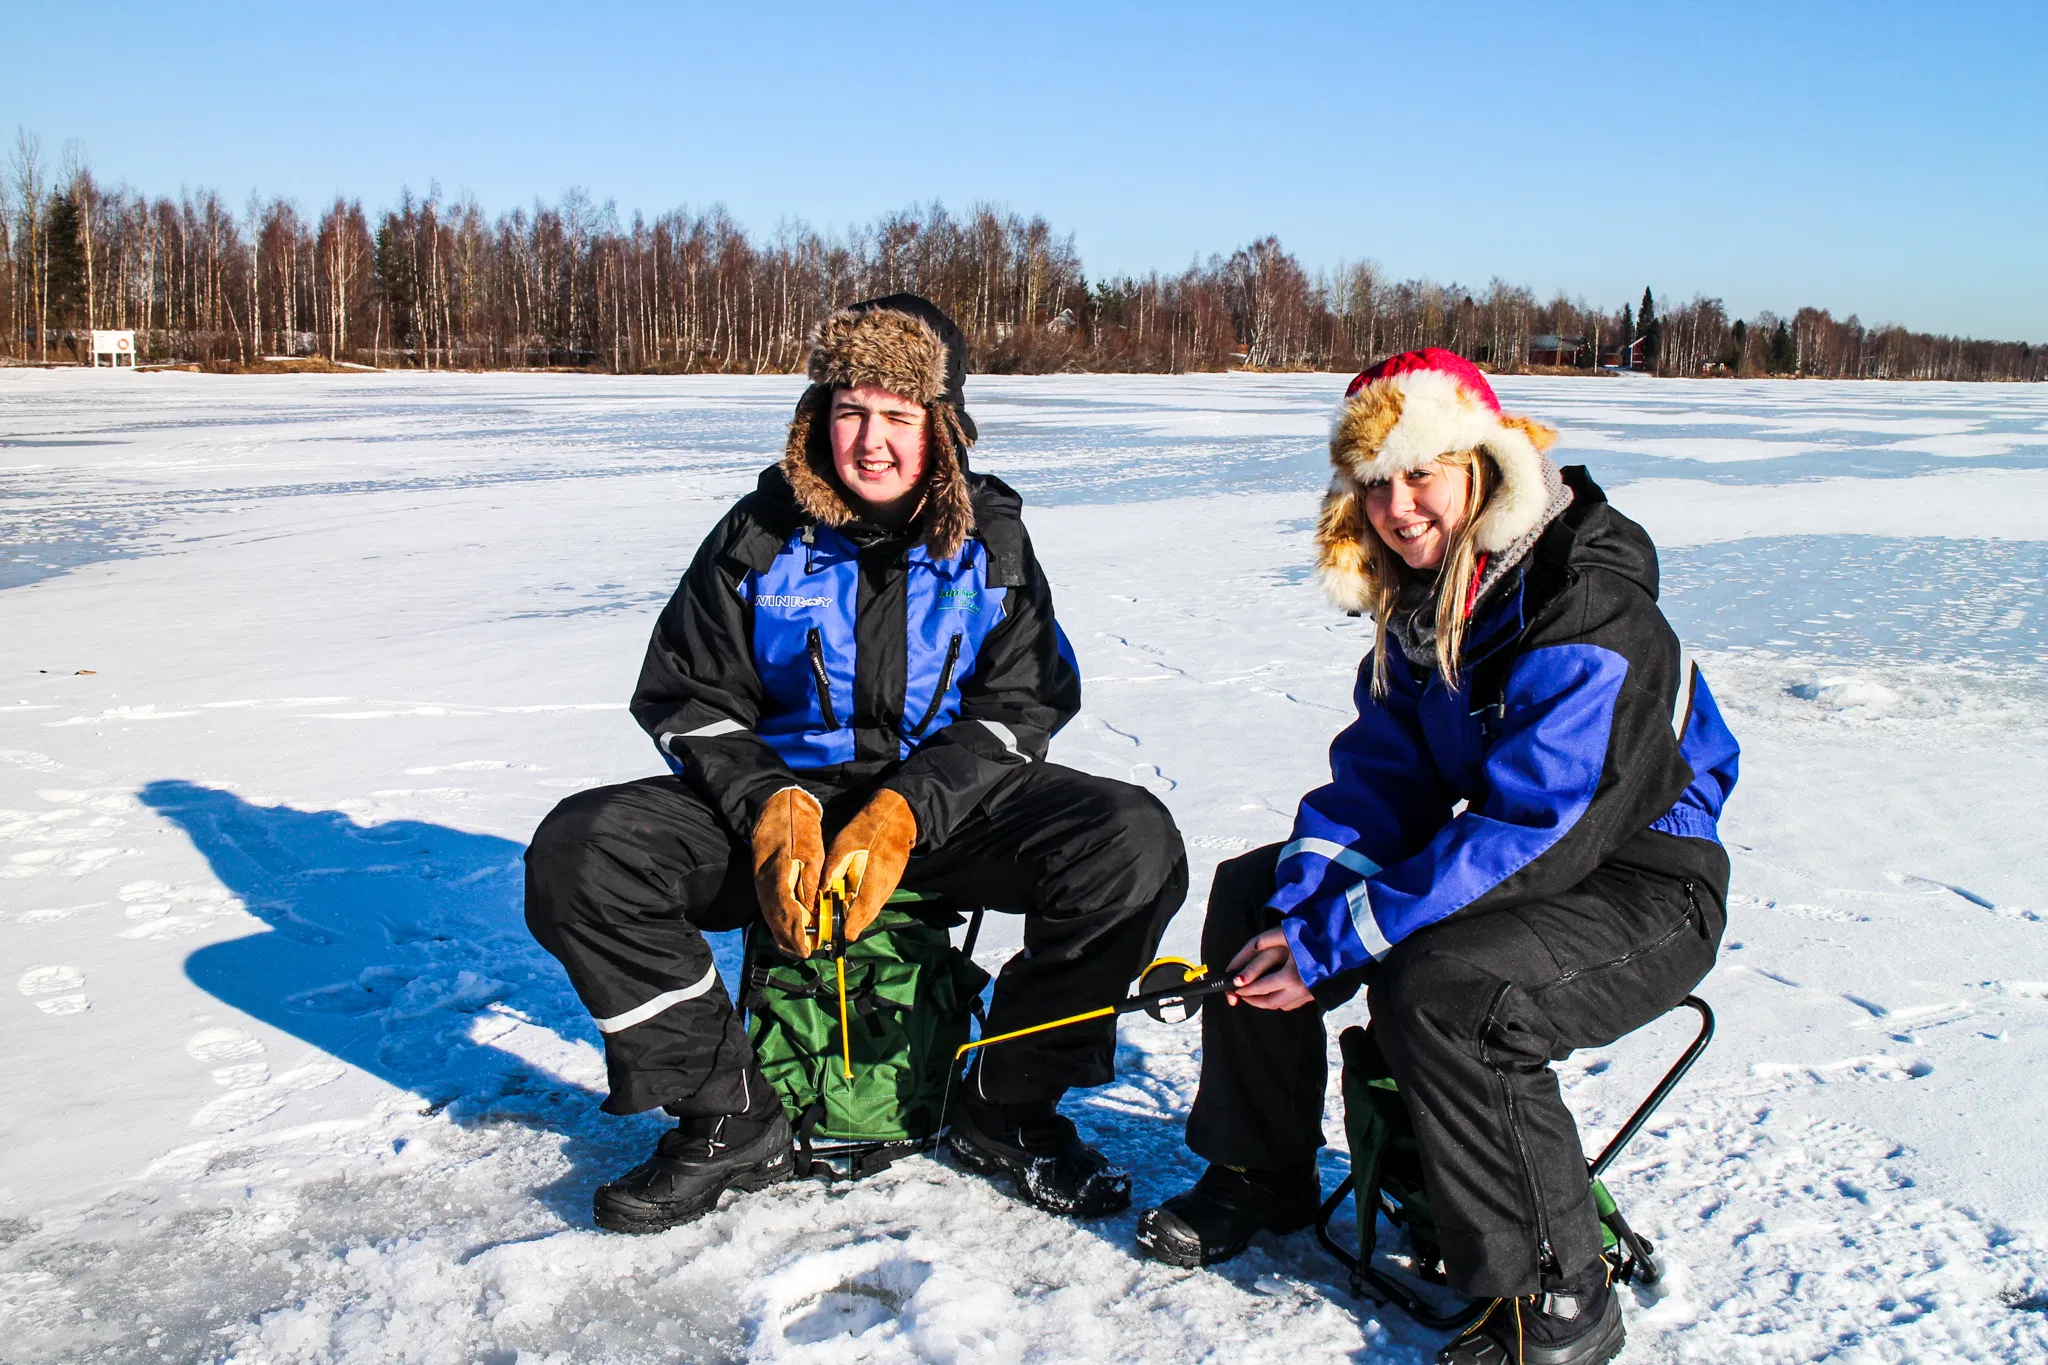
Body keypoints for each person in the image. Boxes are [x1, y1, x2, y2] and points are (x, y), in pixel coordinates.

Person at [524, 294, 1187, 1234]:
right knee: (580, 851)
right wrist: (769, 803)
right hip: (778, 818)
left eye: (898, 416)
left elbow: (1023, 702)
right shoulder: (757, 534)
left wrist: (908, 809)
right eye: (850, 410)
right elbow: (686, 696)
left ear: (942, 428)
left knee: (1131, 841)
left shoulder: (991, 542)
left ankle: (1008, 1102)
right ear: (818, 414)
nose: (869, 441)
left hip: (937, 821)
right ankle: (728, 1114)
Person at [1135, 349, 1739, 1365]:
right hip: (1528, 864)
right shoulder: (1428, 602)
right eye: (1373, 483)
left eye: (1420, 474)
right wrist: (1306, 908)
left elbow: (1532, 830)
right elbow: (1381, 784)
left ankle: (1553, 1298)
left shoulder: (1584, 607)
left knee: (1451, 992)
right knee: (1254, 895)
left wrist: (1337, 943)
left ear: (1486, 468)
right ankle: (1258, 1171)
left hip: (1644, 887)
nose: (1397, 507)